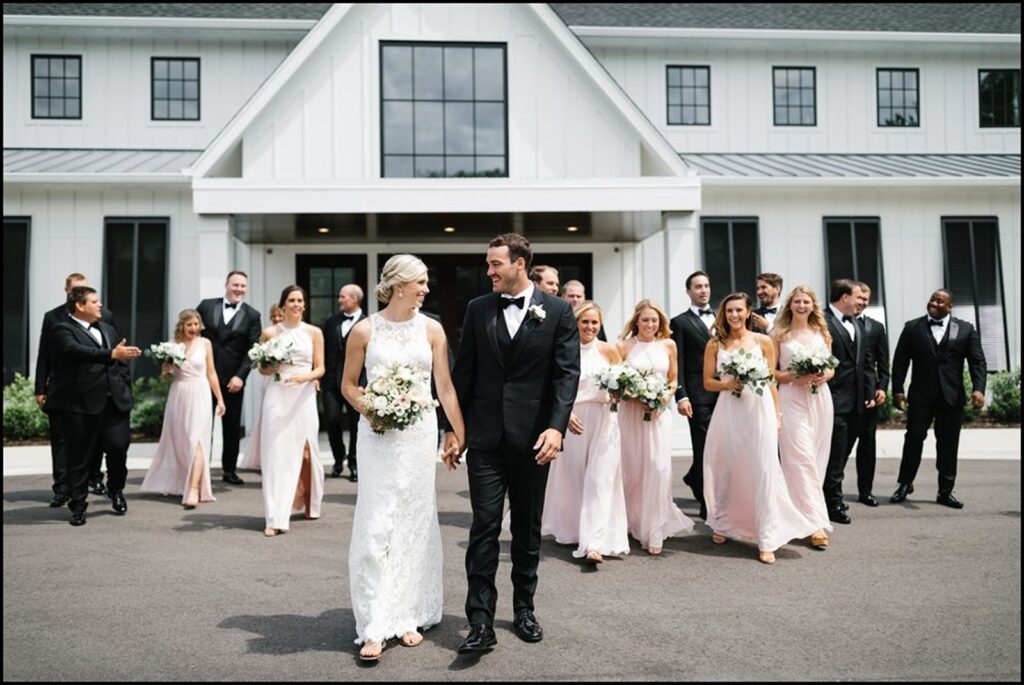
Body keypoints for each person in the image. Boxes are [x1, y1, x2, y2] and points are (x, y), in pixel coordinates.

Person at [449, 233, 580, 655]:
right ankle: (480, 622)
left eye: (495, 264)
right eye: (488, 264)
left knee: (526, 529)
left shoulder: (558, 311)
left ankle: (524, 608)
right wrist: (453, 429)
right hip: (485, 439)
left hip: (533, 440)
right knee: (484, 529)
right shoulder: (477, 309)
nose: (488, 271)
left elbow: (565, 375)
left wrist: (556, 428)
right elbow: (464, 373)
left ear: (519, 264)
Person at [342, 255, 466, 661]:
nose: (426, 289)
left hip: (418, 435)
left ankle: (408, 613)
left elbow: (444, 386)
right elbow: (348, 386)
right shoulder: (363, 330)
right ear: (399, 285)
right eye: (421, 282)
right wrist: (376, 409)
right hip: (377, 434)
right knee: (378, 520)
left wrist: (458, 433)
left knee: (414, 518)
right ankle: (375, 622)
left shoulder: (432, 329)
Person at [702, 292, 818, 564]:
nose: (734, 315)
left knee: (764, 468)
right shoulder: (715, 344)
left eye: (738, 310)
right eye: (729, 311)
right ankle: (725, 522)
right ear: (724, 314)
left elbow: (771, 381)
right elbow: (707, 382)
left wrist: (777, 414)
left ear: (747, 312)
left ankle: (767, 538)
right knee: (729, 467)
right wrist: (728, 384)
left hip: (761, 409)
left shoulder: (764, 341)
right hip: (730, 410)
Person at [541, 301, 629, 564]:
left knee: (600, 480)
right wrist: (565, 415)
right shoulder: (563, 351)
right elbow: (552, 388)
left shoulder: (610, 351)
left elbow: (621, 388)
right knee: (574, 479)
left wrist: (618, 393)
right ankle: (573, 530)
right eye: (585, 322)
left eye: (595, 322)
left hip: (605, 421)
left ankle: (594, 543)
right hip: (575, 421)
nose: (590, 327)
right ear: (576, 323)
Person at [45, 286, 141, 526]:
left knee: (118, 449)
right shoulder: (61, 329)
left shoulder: (108, 328)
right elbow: (76, 351)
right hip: (80, 405)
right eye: (95, 301)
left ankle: (116, 490)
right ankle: (78, 506)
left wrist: (124, 385)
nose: (100, 305)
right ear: (80, 305)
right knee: (79, 457)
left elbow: (120, 364)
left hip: (114, 404)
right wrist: (112, 354)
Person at [890, 289, 986, 508]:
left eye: (939, 301)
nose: (934, 303)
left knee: (949, 444)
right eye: (932, 299)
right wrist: (897, 390)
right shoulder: (912, 327)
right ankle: (905, 484)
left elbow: (977, 361)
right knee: (913, 438)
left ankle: (945, 491)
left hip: (951, 397)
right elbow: (900, 362)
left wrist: (979, 389)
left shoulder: (965, 329)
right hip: (921, 396)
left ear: (950, 307)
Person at [617, 299, 694, 555]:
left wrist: (664, 396)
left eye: (654, 320)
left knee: (657, 468)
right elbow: (617, 383)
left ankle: (654, 528)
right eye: (645, 319)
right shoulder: (624, 346)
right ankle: (629, 522)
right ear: (636, 321)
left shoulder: (668, 345)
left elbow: (673, 379)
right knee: (632, 469)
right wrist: (636, 396)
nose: (650, 324)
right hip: (631, 414)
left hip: (659, 415)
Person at [35, 272, 116, 505]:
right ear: (68, 293)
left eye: (85, 289)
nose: (80, 293)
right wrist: (41, 388)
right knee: (62, 442)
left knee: (94, 440)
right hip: (64, 391)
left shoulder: (105, 316)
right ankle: (61, 487)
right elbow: (45, 355)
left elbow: (115, 350)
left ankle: (94, 478)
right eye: (75, 290)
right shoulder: (53, 317)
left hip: (96, 391)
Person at [254, 286, 325, 536]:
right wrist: (272, 366)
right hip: (277, 393)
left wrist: (304, 377)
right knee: (275, 455)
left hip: (303, 395)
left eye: (300, 300)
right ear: (283, 305)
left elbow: (320, 368)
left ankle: (307, 501)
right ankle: (274, 517)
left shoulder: (314, 332)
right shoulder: (269, 332)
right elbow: (261, 369)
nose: (296, 304)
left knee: (306, 453)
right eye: (292, 300)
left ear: (304, 305)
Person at [140, 310, 226, 508]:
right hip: (179, 394)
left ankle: (194, 489)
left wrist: (220, 399)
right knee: (180, 441)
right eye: (189, 325)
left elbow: (211, 373)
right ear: (182, 326)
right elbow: (165, 375)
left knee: (195, 440)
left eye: (196, 324)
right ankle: (181, 482)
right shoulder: (172, 346)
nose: (193, 328)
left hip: (200, 393)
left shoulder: (205, 344)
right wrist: (166, 369)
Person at [771, 286, 835, 550]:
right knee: (801, 458)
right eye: (797, 301)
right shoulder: (778, 334)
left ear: (813, 305)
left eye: (806, 301)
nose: (801, 305)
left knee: (817, 457)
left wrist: (824, 376)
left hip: (819, 398)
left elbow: (831, 366)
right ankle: (816, 524)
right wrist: (794, 377)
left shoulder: (822, 332)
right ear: (789, 305)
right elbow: (771, 372)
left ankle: (800, 512)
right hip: (791, 398)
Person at [196, 271, 262, 485]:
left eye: (243, 286)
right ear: (226, 285)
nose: (239, 289)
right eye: (235, 285)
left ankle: (229, 470)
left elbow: (254, 350)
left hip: (233, 380)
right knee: (203, 424)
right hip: (204, 376)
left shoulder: (253, 315)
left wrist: (241, 376)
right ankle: (199, 468)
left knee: (232, 427)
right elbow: (191, 334)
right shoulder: (206, 306)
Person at [669, 271, 716, 519]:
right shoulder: (680, 322)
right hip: (697, 396)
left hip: (726, 395)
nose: (703, 290)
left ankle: (694, 477)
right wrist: (682, 396)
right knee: (704, 448)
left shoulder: (723, 317)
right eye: (698, 286)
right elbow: (679, 361)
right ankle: (708, 503)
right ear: (688, 291)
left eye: (706, 286)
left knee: (722, 447)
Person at [822, 279, 868, 525]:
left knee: (842, 453)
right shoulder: (822, 322)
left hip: (856, 403)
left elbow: (864, 363)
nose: (860, 301)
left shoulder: (857, 324)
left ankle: (830, 494)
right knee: (835, 454)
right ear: (844, 297)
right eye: (857, 297)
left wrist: (869, 393)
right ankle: (833, 503)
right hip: (833, 400)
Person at [321, 284, 367, 481]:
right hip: (331, 383)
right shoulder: (331, 323)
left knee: (357, 424)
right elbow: (323, 352)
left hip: (357, 384)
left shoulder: (368, 323)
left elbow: (370, 358)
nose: (339, 300)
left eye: (343, 297)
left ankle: (354, 463)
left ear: (354, 299)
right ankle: (338, 459)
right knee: (332, 420)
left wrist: (364, 383)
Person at [237, 303, 286, 472]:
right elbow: (258, 356)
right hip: (270, 379)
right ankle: (266, 455)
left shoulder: (290, 334)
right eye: (274, 316)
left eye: (280, 316)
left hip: (286, 380)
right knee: (268, 415)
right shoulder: (267, 333)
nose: (277, 319)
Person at [854, 283, 889, 507]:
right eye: (859, 298)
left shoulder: (876, 327)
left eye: (866, 298)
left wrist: (882, 387)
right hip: (844, 395)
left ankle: (866, 491)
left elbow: (883, 362)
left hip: (869, 393)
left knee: (868, 444)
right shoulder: (830, 323)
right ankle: (830, 494)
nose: (863, 302)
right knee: (839, 446)